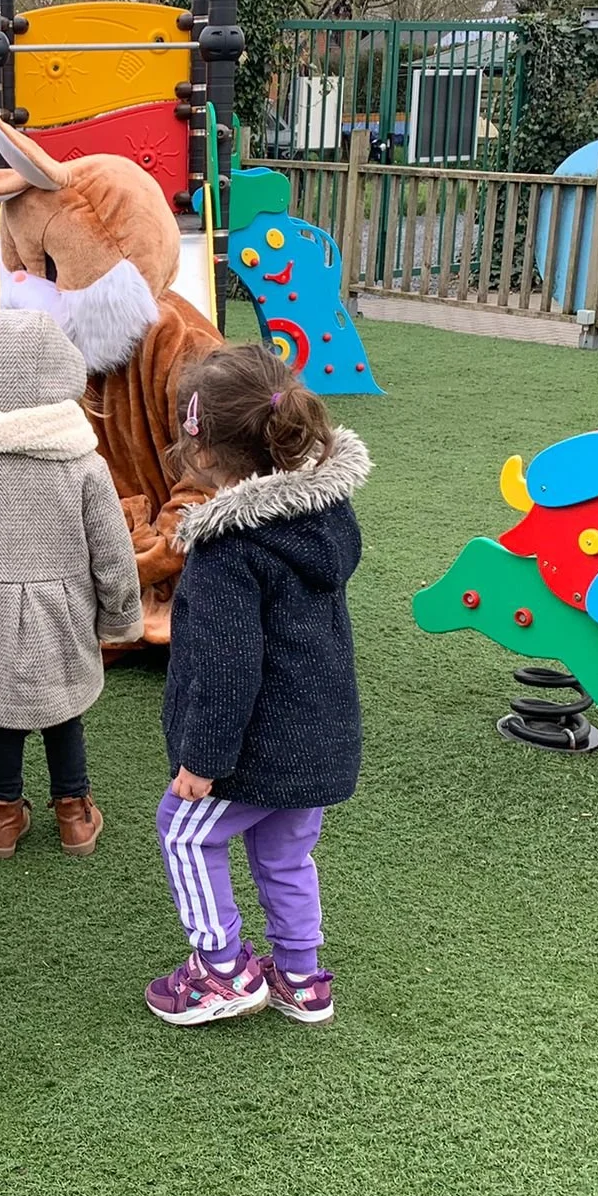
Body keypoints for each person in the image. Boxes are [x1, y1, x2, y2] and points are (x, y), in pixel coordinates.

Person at [144, 344, 372, 1028]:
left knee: (183, 831)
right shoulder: (323, 518)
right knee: (285, 852)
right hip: (319, 737)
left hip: (255, 749)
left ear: (202, 449)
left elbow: (227, 667)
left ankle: (221, 970)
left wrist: (203, 761)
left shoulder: (228, 550)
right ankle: (301, 978)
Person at [0, 310, 142, 857]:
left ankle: (4, 818)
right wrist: (119, 617)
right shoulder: (83, 464)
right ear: (64, 374)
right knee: (64, 714)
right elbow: (113, 552)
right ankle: (74, 815)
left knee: (2, 718)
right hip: (64, 613)